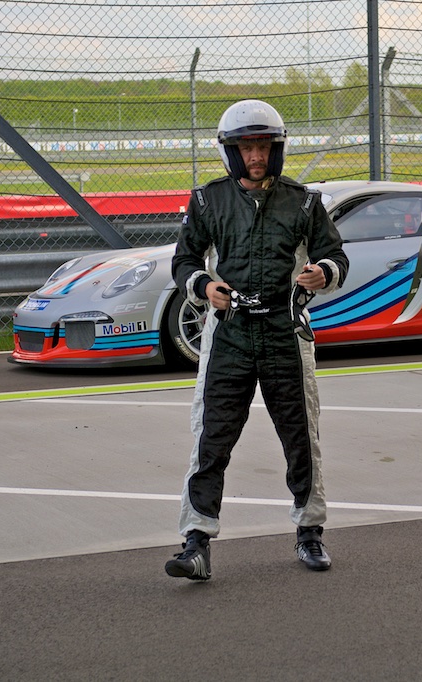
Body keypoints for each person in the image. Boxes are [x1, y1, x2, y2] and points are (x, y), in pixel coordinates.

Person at [166, 99, 349, 581]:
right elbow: (184, 261)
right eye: (247, 147)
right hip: (228, 335)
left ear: (277, 149)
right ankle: (195, 542)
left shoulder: (304, 202)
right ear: (231, 151)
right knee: (211, 438)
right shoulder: (207, 200)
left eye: (264, 146)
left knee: (301, 437)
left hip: (285, 333)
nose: (256, 156)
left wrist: (323, 273)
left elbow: (336, 257)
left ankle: (310, 532)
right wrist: (204, 287)